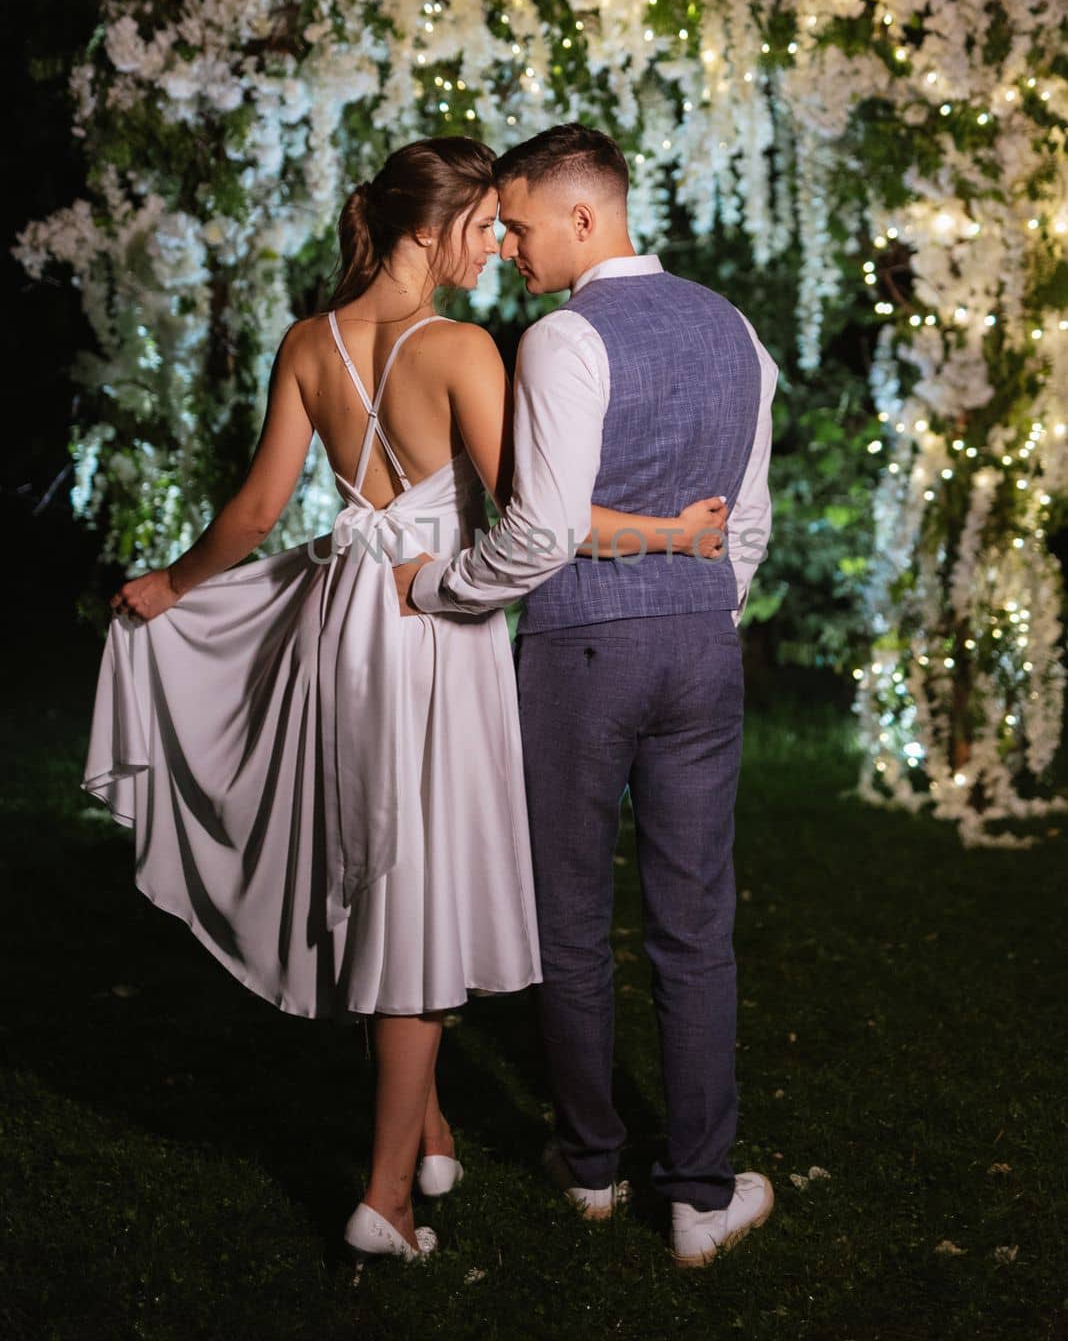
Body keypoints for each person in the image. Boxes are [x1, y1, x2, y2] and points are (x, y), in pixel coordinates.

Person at [83, 135, 729, 1266]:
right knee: (418, 890)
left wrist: (169, 587)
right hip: (437, 629)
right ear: (428, 232)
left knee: (388, 859)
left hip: (347, 624)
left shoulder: (308, 342)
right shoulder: (464, 349)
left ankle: (430, 1132)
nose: (496, 243)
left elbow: (252, 513)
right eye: (483, 225)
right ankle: (386, 1197)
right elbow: (543, 520)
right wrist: (669, 534)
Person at [396, 123, 779, 1268]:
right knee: (695, 921)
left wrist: (446, 586)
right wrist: (701, 601)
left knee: (570, 917)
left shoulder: (562, 338)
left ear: (581, 214)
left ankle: (595, 1165)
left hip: (579, 654)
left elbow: (546, 528)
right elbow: (748, 519)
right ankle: (702, 1196)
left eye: (514, 223)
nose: (505, 244)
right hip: (704, 645)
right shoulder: (736, 328)